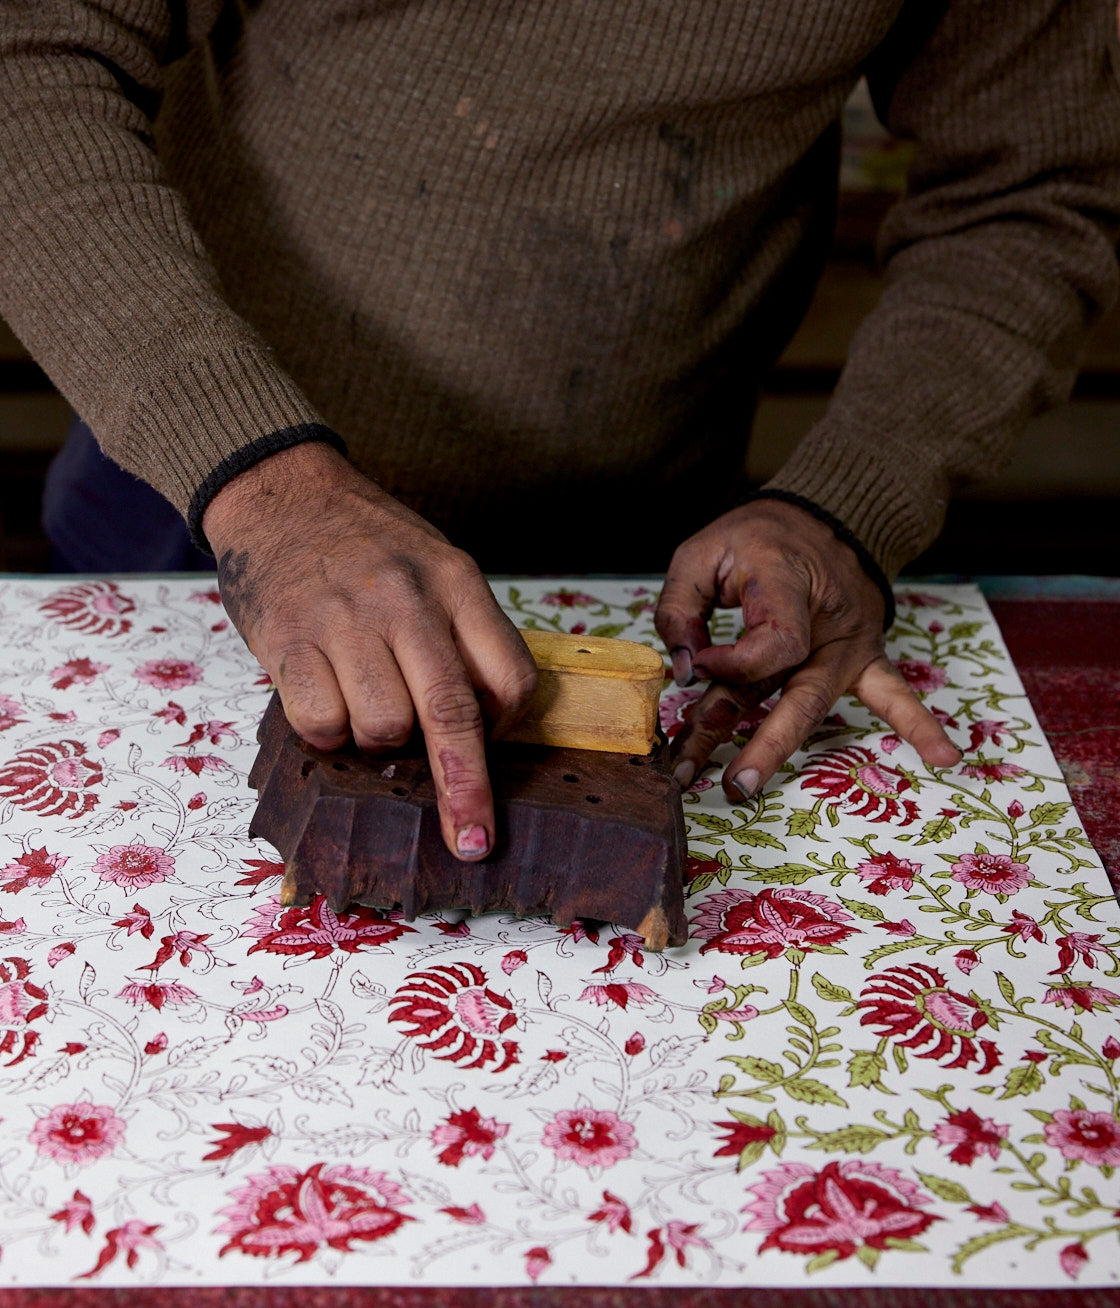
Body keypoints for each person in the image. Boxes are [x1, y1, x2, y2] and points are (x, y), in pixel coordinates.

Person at [2, 0, 1118, 864]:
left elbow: (1033, 187)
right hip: (195, 501)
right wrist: (267, 488)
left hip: (647, 574)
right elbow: (26, 58)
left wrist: (851, 498)